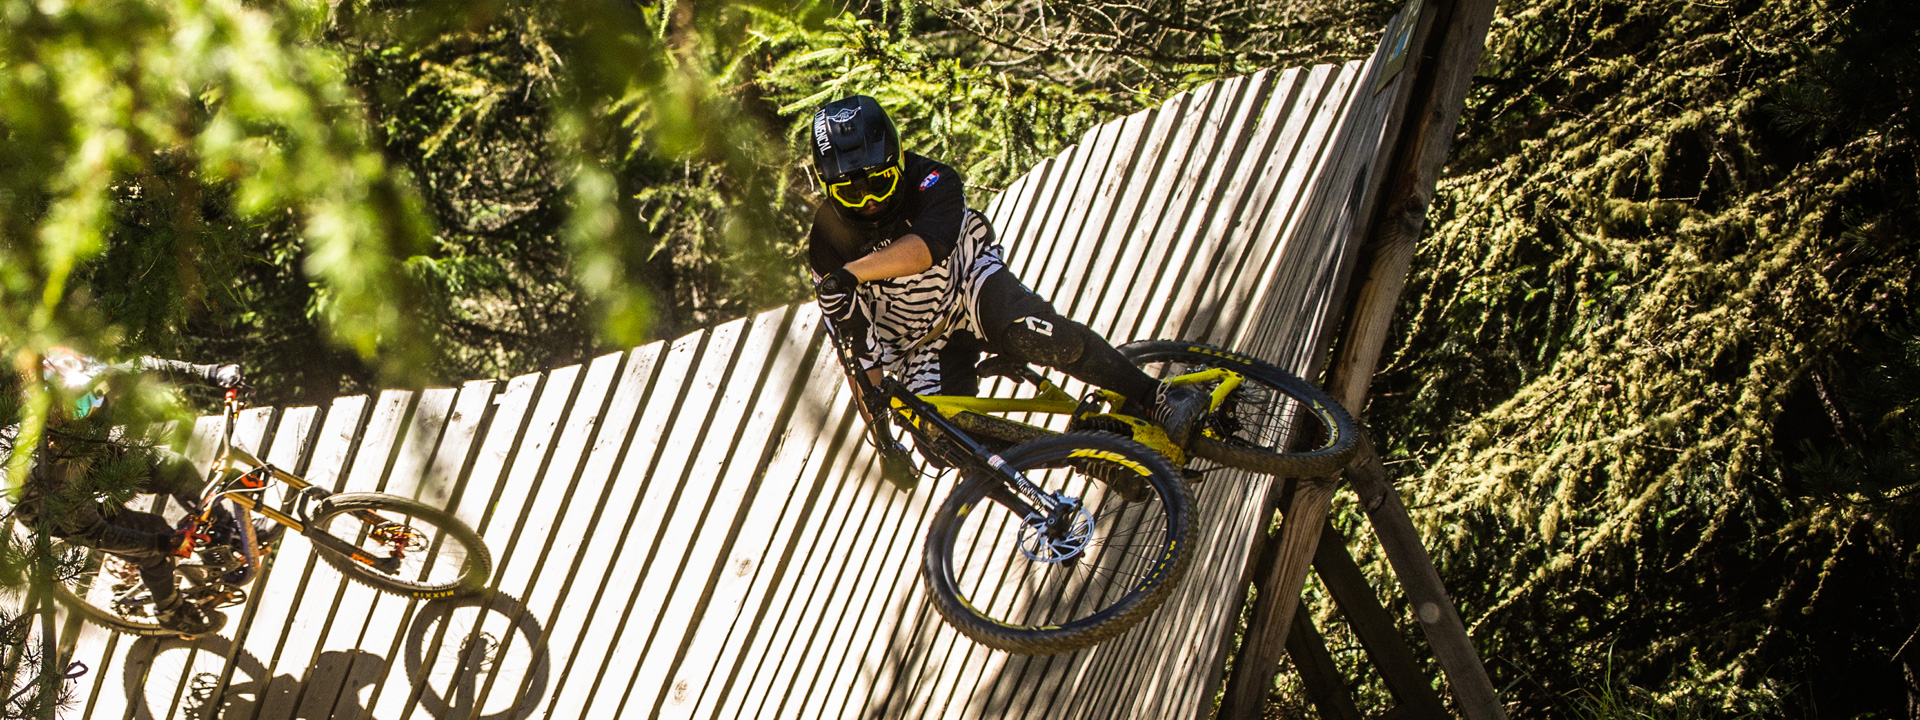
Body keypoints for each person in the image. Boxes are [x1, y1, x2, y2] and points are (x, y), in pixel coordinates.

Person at [805, 95, 1206, 451]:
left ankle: (1158, 396)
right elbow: (853, 345)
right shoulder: (826, 243)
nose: (870, 201)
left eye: (879, 183)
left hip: (969, 286)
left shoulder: (933, 179)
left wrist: (852, 273)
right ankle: (1086, 451)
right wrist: (884, 443)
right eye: (851, 192)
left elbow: (928, 248)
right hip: (916, 343)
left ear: (900, 162)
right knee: (944, 440)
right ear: (829, 189)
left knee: (1034, 334)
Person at [8, 347, 247, 635]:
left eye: (95, 394)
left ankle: (225, 531)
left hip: (93, 459)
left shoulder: (88, 384)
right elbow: (95, 531)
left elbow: (146, 370)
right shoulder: (52, 462)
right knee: (153, 536)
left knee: (175, 467)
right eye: (81, 405)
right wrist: (164, 544)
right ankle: (170, 610)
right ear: (53, 416)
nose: (94, 405)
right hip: (56, 504)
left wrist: (212, 373)